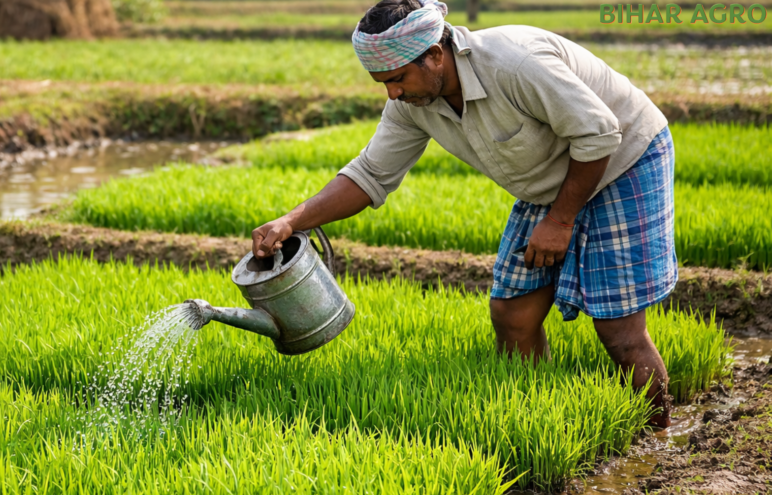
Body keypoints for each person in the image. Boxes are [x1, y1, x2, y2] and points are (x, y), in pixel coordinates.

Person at [250, 0, 676, 427]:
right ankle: (539, 421)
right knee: (512, 316)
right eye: (382, 83)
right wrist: (291, 221)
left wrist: (561, 221)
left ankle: (658, 449)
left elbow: (599, 133)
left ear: (435, 54)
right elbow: (370, 174)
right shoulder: (412, 103)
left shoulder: (515, 63)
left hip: (623, 159)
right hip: (552, 178)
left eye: (397, 78)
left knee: (618, 331)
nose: (392, 93)